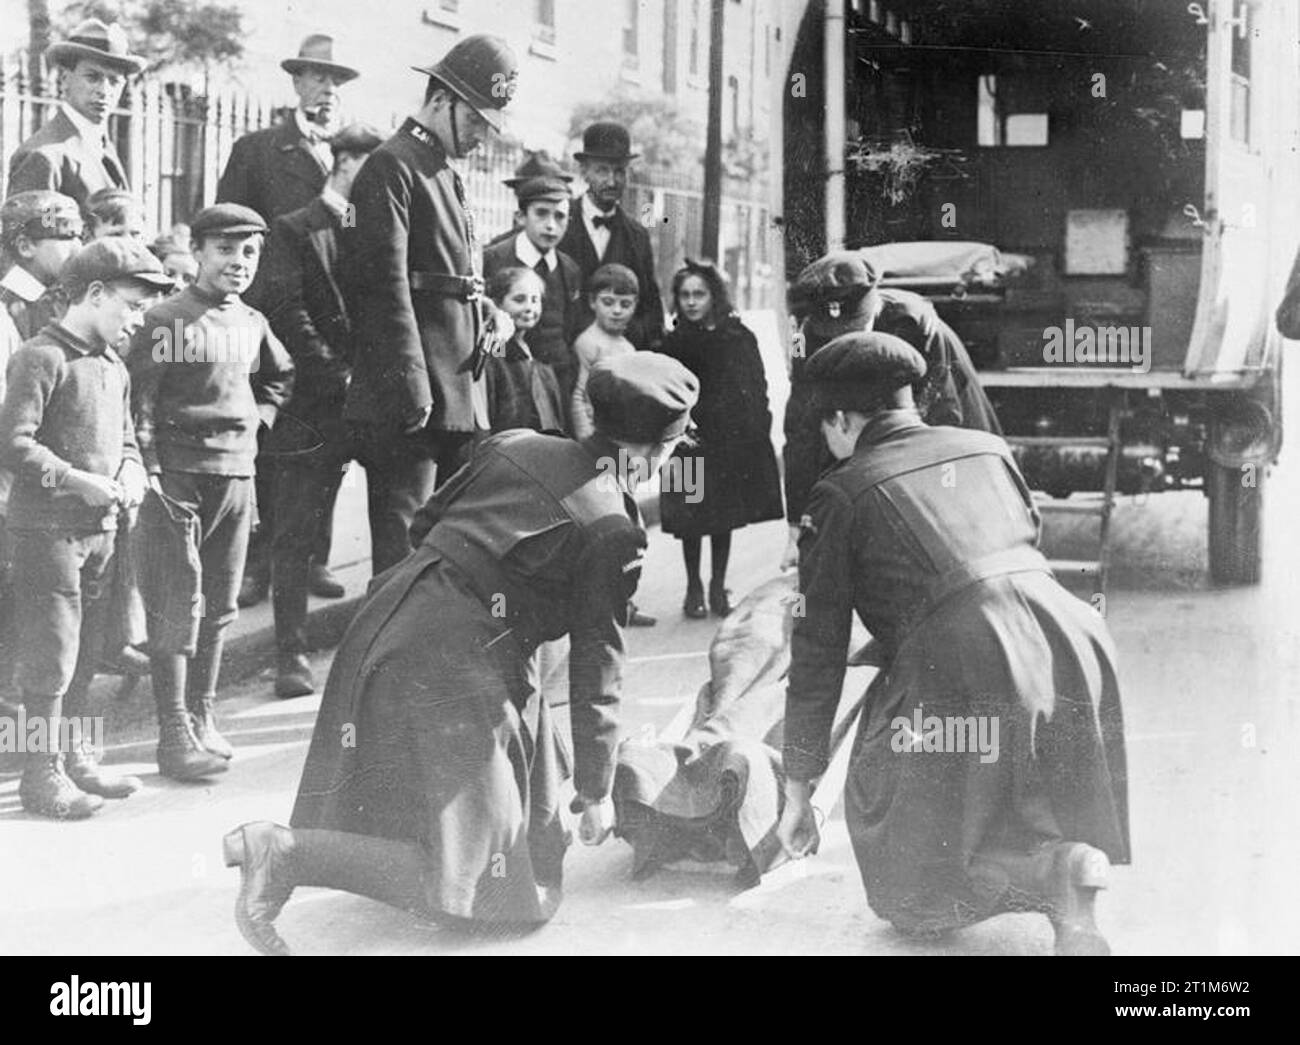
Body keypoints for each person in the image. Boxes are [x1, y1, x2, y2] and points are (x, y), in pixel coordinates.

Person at [222, 352, 699, 955]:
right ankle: (283, 853)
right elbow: (596, 663)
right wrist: (599, 790)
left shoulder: (517, 443)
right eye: (676, 449)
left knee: (526, 836)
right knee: (503, 896)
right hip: (448, 656)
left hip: (391, 613)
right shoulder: (613, 528)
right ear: (650, 454)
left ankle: (441, 843)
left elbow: (424, 526)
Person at [775, 331, 1129, 957]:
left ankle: (1052, 870)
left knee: (904, 871)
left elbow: (818, 649)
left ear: (840, 420)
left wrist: (799, 783)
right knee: (999, 756)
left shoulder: (840, 491)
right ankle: (1063, 871)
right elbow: (1014, 543)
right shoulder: (985, 446)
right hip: (1071, 639)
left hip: (968, 655)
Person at [0, 239, 173, 818]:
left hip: (101, 529)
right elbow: (14, 446)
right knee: (52, 653)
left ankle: (75, 758)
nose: (137, 318)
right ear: (94, 293)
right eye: (130, 304)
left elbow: (123, 436)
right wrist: (75, 480)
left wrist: (131, 468)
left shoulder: (111, 365)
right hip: (47, 531)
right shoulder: (40, 357)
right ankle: (40, 775)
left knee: (89, 648)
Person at [126, 204, 294, 782]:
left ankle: (203, 713)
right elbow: (140, 401)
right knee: (177, 602)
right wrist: (150, 470)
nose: (238, 263)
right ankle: (173, 733)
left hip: (236, 476)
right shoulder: (167, 320)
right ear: (197, 252)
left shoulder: (250, 322)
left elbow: (279, 376)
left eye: (249, 252)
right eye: (225, 250)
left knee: (221, 606)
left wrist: (258, 420)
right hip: (177, 479)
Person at [341, 34, 519, 576]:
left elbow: (445, 278)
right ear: (442, 100)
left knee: (447, 556)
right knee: (402, 560)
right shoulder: (391, 166)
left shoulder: (439, 166)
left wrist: (485, 308)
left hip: (455, 395)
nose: (482, 138)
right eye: (477, 122)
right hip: (412, 401)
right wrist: (411, 387)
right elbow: (382, 289)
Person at [219, 34, 359, 610]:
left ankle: (314, 559)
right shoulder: (257, 150)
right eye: (317, 78)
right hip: (271, 319)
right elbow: (226, 226)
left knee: (329, 447)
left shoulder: (353, 154)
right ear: (296, 83)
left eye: (336, 82)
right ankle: (260, 564)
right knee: (272, 446)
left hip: (332, 323)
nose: (327, 90)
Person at [246, 123, 383, 699]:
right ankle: (291, 653)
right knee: (294, 529)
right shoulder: (293, 229)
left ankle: (382, 650)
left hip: (372, 402)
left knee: (396, 522)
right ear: (346, 164)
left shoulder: (378, 231)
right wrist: (338, 372)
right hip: (312, 404)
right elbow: (285, 309)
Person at [781, 250, 1000, 569]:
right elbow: (801, 430)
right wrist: (797, 527)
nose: (846, 340)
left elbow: (941, 420)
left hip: (946, 405)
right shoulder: (809, 338)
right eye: (835, 335)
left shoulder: (915, 325)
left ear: (872, 307)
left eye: (854, 328)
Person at [659, 260, 783, 619]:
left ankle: (717, 586)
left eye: (699, 294)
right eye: (684, 295)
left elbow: (755, 386)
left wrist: (755, 430)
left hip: (726, 442)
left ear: (714, 296)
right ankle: (693, 587)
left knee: (722, 517)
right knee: (689, 517)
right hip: (686, 443)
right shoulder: (673, 342)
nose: (692, 302)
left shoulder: (737, 337)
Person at [0, 192, 84, 713]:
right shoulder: (11, 309)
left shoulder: (59, 301)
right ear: (25, 244)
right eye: (66, 237)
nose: (77, 246)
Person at [7, 19, 141, 203]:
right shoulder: (43, 157)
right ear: (64, 80)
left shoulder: (102, 146)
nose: (104, 90)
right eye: (92, 77)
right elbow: (45, 228)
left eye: (113, 81)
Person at [482, 163, 583, 405]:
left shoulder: (569, 269)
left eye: (559, 216)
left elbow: (569, 327)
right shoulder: (494, 259)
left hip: (554, 383)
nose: (550, 225)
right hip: (505, 381)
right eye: (541, 213)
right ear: (520, 217)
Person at [559, 121, 665, 352]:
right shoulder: (559, 224)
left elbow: (650, 306)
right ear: (584, 172)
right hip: (567, 356)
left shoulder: (637, 236)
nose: (612, 181)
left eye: (619, 171)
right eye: (602, 170)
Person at [482, 266, 566, 434]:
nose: (529, 307)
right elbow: (495, 367)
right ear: (498, 303)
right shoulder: (498, 346)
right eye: (519, 300)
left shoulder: (534, 346)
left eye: (535, 300)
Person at [570, 263, 638, 439]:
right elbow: (578, 395)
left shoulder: (628, 347)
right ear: (593, 302)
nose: (616, 310)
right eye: (608, 302)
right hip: (595, 432)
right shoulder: (588, 342)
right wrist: (586, 439)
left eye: (625, 304)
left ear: (634, 306)